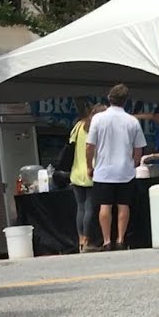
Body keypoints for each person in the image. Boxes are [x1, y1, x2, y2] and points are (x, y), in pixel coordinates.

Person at [85, 84, 146, 251]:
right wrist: (134, 162)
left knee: (105, 206)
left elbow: (90, 145)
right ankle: (120, 239)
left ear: (109, 98)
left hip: (103, 170)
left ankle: (106, 241)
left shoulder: (98, 119)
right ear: (125, 101)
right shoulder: (132, 121)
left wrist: (89, 165)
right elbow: (138, 148)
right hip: (124, 170)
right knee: (123, 205)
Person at [69, 104, 106, 252]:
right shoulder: (97, 129)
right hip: (92, 172)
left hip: (76, 172)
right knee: (89, 208)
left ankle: (80, 240)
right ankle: (87, 241)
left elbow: (70, 143)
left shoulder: (79, 125)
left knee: (80, 208)